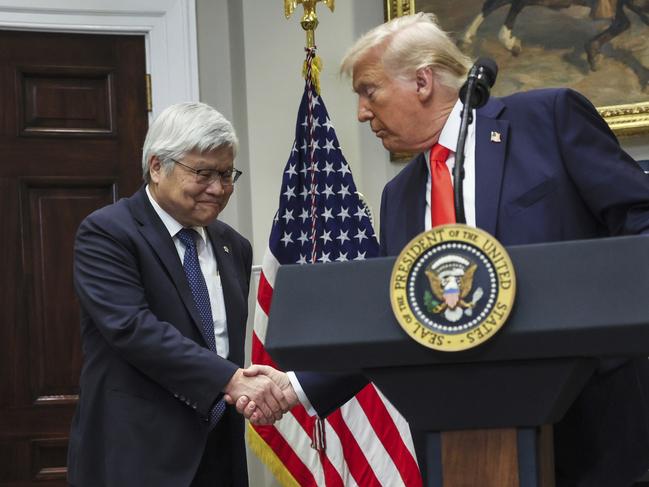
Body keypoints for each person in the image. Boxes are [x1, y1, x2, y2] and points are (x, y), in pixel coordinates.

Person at [241, 12, 649, 487]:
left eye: (368, 91)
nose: (361, 113)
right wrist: (292, 386)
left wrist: (601, 328)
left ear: (421, 81)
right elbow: (391, 321)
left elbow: (640, 219)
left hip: (594, 421)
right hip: (460, 440)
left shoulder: (547, 119)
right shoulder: (399, 197)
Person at [67, 102, 296, 487]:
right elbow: (132, 328)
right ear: (157, 167)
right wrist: (232, 380)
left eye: (226, 174)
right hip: (138, 456)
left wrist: (247, 387)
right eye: (203, 173)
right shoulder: (108, 233)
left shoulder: (232, 246)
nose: (219, 188)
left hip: (218, 455)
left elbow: (222, 345)